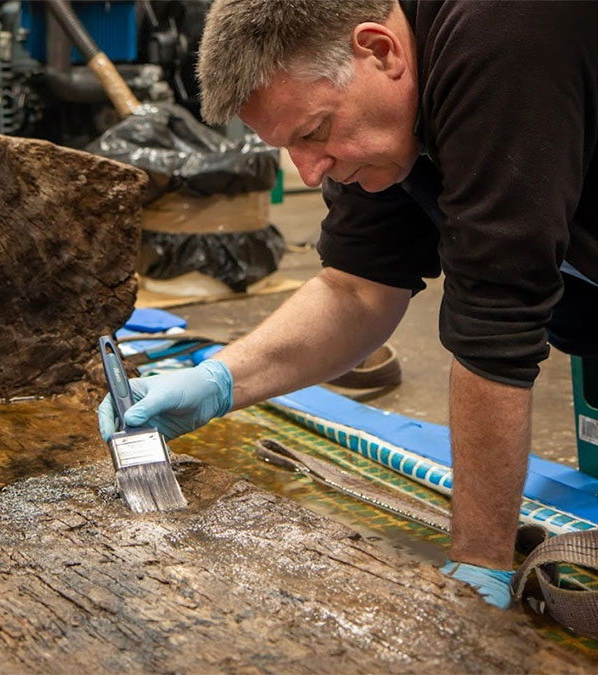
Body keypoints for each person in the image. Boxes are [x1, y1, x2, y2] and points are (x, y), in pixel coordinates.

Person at [97, 0, 598, 609]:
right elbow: (358, 287)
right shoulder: (379, 115)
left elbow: (497, 324)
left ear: (380, 50)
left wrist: (478, 567)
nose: (309, 173)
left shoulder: (505, 33)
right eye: (290, 146)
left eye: (313, 133)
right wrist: (218, 381)